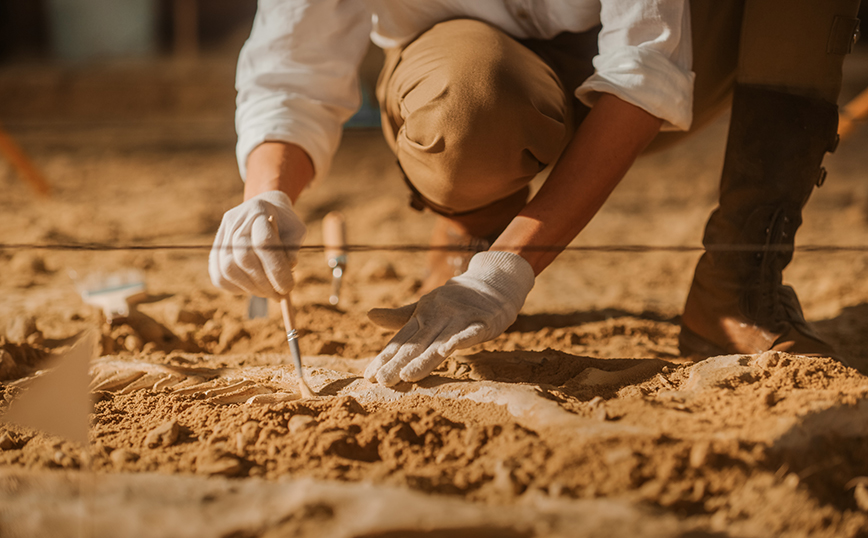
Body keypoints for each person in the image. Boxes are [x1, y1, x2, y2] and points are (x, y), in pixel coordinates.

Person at [210, 1, 862, 387]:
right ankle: (475, 217)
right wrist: (267, 196)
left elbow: (644, 73)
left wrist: (509, 269)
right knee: (469, 100)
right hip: (470, 75)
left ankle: (740, 275)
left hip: (677, 65)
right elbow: (291, 71)